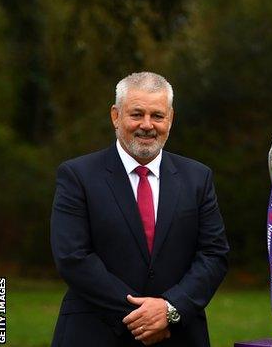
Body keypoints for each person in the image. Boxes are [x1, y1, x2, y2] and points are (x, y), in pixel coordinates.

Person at [50, 72, 229, 346]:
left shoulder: (198, 178)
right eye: (137, 114)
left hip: (179, 336)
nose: (147, 125)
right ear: (115, 116)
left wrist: (170, 309)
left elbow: (214, 255)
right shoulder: (78, 176)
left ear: (170, 118)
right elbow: (73, 257)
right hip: (96, 334)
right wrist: (140, 316)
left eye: (157, 116)